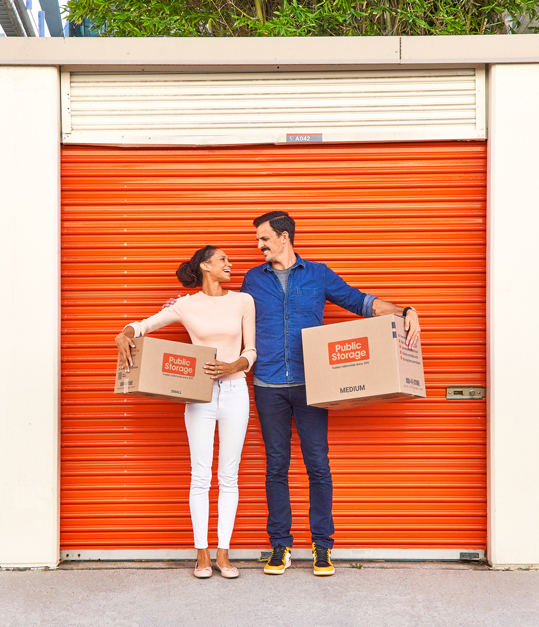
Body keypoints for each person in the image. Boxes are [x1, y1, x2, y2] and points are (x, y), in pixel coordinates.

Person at [240, 211, 421, 577]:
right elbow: (230, 314)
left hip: (312, 386)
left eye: (264, 239)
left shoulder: (318, 273)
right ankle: (280, 546)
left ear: (285, 237)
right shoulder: (251, 280)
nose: (258, 246)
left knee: (317, 465)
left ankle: (322, 546)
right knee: (276, 467)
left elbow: (360, 302)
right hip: (268, 387)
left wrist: (404, 309)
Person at [115, 245, 256, 580]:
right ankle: (202, 555)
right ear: (206, 266)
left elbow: (251, 350)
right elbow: (145, 325)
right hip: (200, 396)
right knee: (201, 475)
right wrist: (125, 332)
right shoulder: (185, 305)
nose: (230, 264)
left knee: (229, 476)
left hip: (236, 391)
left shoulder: (243, 301)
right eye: (223, 260)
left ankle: (224, 554)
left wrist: (233, 365)